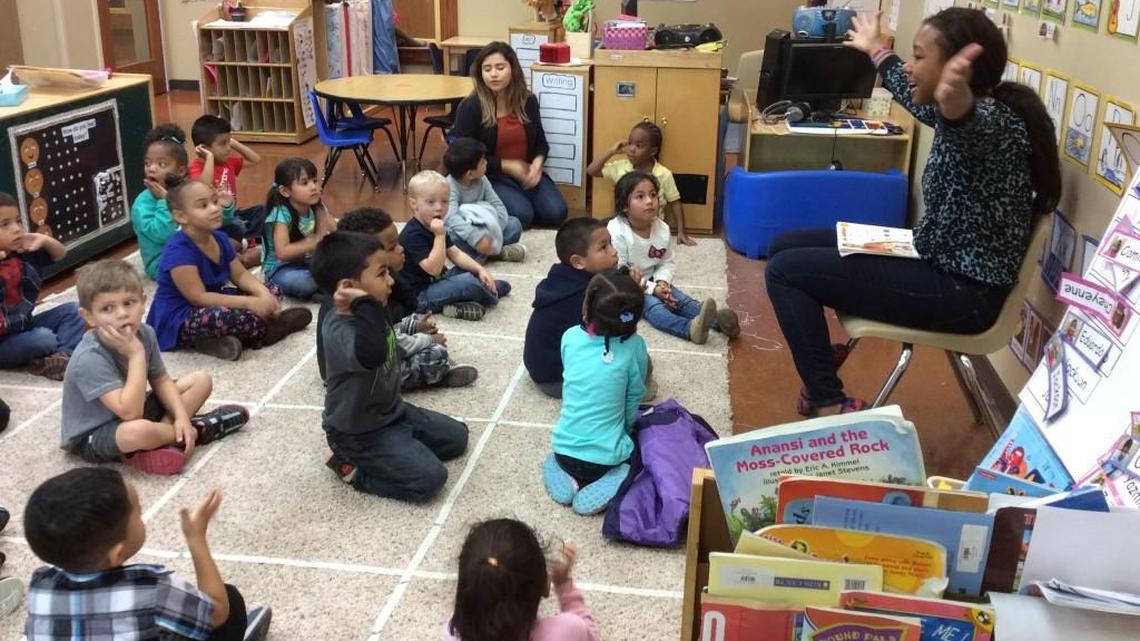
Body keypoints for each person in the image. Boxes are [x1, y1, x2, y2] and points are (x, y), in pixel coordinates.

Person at [765, 8, 1061, 416]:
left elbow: (969, 125)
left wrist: (957, 104)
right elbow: (921, 100)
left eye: (919, 57)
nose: (909, 65)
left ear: (960, 70)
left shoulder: (991, 122)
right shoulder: (970, 106)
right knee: (783, 245)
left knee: (785, 272)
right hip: (937, 259)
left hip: (962, 292)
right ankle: (818, 357)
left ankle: (827, 398)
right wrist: (875, 51)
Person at [22, 468, 271, 641]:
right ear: (117, 554)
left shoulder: (40, 585)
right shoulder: (152, 592)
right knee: (230, 599)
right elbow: (217, 612)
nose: (142, 515)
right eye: (138, 512)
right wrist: (196, 538)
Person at [311, 230, 470, 501]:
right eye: (382, 273)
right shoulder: (339, 327)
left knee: (458, 438)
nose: (391, 281)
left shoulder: (371, 307)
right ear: (348, 286)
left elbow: (390, 340)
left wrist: (419, 334)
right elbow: (372, 353)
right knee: (430, 480)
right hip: (357, 432)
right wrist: (363, 301)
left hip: (391, 411)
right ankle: (354, 471)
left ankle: (401, 446)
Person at [62, 260, 250, 476]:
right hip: (95, 434)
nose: (122, 314)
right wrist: (136, 355)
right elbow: (131, 414)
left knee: (201, 380)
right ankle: (196, 430)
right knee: (137, 431)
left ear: (143, 302)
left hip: (136, 408)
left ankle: (167, 437)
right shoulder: (89, 357)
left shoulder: (145, 333)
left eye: (129, 303)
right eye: (107, 308)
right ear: (89, 317)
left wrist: (180, 415)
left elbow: (161, 380)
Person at [146, 180, 312, 361]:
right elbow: (198, 297)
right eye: (203, 205)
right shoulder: (178, 250)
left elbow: (240, 275)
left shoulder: (219, 238)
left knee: (273, 289)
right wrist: (248, 303)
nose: (215, 208)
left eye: (215, 202)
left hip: (215, 299)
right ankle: (268, 330)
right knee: (237, 317)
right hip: (180, 318)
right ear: (181, 216)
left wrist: (263, 294)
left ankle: (217, 340)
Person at [317, 207, 478, 389]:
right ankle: (439, 373)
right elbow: (389, 344)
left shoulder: (373, 281)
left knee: (418, 330)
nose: (401, 249)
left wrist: (415, 326)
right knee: (436, 355)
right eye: (392, 247)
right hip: (359, 375)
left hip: (369, 350)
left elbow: (388, 326)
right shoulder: (362, 295)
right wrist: (428, 340)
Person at [542, 268, 647, 515]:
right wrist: (625, 430)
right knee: (638, 449)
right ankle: (616, 475)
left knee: (566, 450)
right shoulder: (635, 346)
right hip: (606, 459)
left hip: (564, 450)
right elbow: (633, 397)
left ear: (587, 306)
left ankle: (561, 472)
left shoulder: (568, 337)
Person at [607, 172, 740, 345]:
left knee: (682, 301)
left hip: (653, 278)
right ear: (624, 205)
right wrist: (653, 289)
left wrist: (663, 283)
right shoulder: (617, 231)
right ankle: (690, 330)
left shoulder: (662, 228)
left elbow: (666, 261)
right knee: (655, 309)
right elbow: (620, 272)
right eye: (640, 196)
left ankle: (720, 323)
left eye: (653, 195)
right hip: (628, 285)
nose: (649, 201)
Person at [452, 41, 568, 229]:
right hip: (489, 176)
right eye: (487, 69)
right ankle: (478, 205)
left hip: (526, 173)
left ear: (512, 69)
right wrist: (507, 165)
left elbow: (541, 142)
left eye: (500, 67)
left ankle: (508, 205)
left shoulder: (528, 101)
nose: (493, 74)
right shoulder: (470, 107)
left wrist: (537, 164)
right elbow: (465, 158)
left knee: (557, 213)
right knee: (523, 215)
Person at [445, 519, 599, 641]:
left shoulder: (452, 632)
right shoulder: (566, 630)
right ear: (545, 586)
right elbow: (590, 635)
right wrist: (565, 587)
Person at [524, 218, 619, 398]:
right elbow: (615, 329)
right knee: (633, 359)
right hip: (558, 380)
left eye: (611, 244)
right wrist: (632, 293)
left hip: (541, 369)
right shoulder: (584, 295)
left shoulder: (563, 277)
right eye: (603, 247)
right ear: (578, 262)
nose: (614, 252)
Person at [398, 171, 508, 322]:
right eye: (431, 202)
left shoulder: (434, 225)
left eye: (444, 202)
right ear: (413, 204)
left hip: (437, 281)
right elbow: (434, 268)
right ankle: (489, 293)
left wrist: (479, 269)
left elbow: (455, 254)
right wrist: (440, 236)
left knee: (469, 268)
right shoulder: (413, 234)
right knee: (467, 282)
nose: (439, 208)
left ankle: (456, 304)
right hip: (420, 296)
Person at [0, 192, 85, 380]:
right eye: (5, 224)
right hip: (2, 343)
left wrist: (44, 240)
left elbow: (60, 254)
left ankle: (62, 357)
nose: (16, 229)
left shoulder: (23, 253)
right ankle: (56, 351)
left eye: (17, 221)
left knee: (74, 310)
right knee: (43, 339)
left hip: (25, 325)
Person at [586, 121, 696, 246]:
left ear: (653, 151)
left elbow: (675, 202)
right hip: (624, 226)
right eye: (630, 143)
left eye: (639, 146)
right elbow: (591, 170)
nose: (632, 149)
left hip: (651, 228)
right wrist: (612, 151)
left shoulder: (664, 174)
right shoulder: (621, 167)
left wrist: (681, 231)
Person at [188, 114, 264, 266]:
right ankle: (244, 244)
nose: (228, 148)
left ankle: (246, 240)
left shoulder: (228, 162)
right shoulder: (195, 167)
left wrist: (233, 142)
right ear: (203, 148)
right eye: (223, 144)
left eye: (228, 142)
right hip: (214, 222)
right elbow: (202, 187)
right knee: (234, 228)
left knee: (262, 210)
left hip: (232, 215)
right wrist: (209, 158)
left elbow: (255, 159)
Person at [443, 136, 527, 262]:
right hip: (465, 232)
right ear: (469, 174)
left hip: (486, 227)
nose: (486, 163)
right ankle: (495, 253)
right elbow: (451, 218)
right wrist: (477, 238)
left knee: (514, 224)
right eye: (482, 162)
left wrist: (493, 229)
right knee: (451, 237)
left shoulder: (482, 179)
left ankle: (481, 255)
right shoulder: (449, 186)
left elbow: (497, 204)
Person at [261, 158, 335, 300]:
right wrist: (313, 242)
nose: (313, 187)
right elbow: (282, 253)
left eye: (315, 181)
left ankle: (322, 286)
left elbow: (337, 230)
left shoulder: (317, 205)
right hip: (281, 268)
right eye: (305, 183)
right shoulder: (280, 214)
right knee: (304, 283)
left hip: (309, 261)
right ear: (285, 191)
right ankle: (321, 287)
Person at [131, 124, 193, 280]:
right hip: (162, 261)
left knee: (224, 242)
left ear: (180, 171)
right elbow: (162, 234)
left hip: (190, 248)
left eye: (161, 164)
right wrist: (164, 201)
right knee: (191, 267)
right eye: (147, 163)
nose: (151, 169)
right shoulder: (141, 204)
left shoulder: (185, 190)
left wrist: (224, 207)